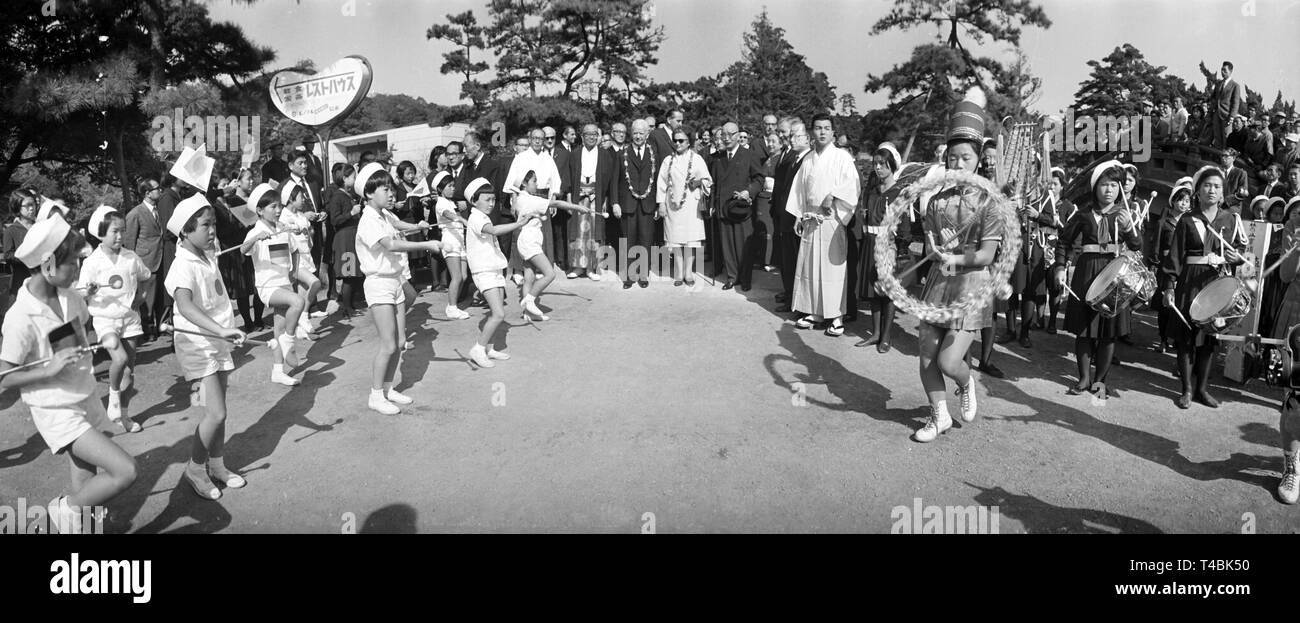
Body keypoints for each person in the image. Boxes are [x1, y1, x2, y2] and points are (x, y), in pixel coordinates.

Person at [0, 214, 137, 532]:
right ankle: (63, 508)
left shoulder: (70, 297)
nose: (78, 269)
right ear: (48, 264)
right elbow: (4, 377)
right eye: (73, 263)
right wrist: (49, 368)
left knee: (87, 484)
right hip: (57, 410)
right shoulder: (20, 317)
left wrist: (105, 338)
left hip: (85, 395)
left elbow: (79, 336)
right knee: (125, 471)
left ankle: (81, 534)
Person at [910, 88, 1004, 443]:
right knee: (925, 357)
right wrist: (932, 250)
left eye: (966, 158)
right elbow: (931, 244)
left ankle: (966, 382)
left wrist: (953, 257)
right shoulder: (935, 201)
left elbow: (985, 257)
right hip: (939, 281)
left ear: (978, 160)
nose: (958, 164)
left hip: (971, 284)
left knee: (949, 362)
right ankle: (939, 416)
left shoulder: (990, 203)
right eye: (952, 158)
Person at [165, 194, 248, 500]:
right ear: (186, 230)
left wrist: (223, 332)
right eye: (205, 225)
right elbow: (185, 306)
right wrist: (222, 329)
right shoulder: (181, 264)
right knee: (215, 413)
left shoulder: (206, 255)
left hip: (217, 340)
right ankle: (195, 469)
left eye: (213, 224)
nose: (212, 231)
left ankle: (217, 465)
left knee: (220, 414)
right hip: (197, 344)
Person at [353, 163, 445, 414]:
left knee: (401, 340)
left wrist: (419, 226)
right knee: (388, 344)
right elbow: (391, 244)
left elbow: (400, 226)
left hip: (394, 281)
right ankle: (375, 395)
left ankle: (387, 387)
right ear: (369, 193)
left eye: (391, 188)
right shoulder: (368, 220)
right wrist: (427, 243)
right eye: (385, 189)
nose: (391, 193)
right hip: (378, 283)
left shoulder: (384, 214)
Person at [1053, 160, 1142, 398]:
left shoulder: (1124, 215)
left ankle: (1100, 381)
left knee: (1108, 331)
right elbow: (1064, 241)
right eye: (1104, 185)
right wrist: (1060, 267)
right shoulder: (1083, 215)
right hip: (1087, 271)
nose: (1109, 190)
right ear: (1095, 187)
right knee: (1085, 329)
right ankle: (1083, 378)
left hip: (1114, 272)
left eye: (1114, 185)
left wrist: (1130, 229)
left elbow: (1137, 245)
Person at [1161, 165, 1246, 409]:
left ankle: (1202, 389)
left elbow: (1241, 252)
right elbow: (1175, 256)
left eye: (1217, 187)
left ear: (1223, 193)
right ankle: (1186, 389)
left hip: (1217, 281)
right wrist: (1169, 286)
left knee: (1209, 337)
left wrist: (1236, 259)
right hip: (1190, 279)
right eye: (1207, 185)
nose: (1212, 190)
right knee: (1187, 336)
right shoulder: (1188, 220)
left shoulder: (1231, 219)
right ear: (1197, 191)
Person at [786, 113, 861, 337]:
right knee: (810, 268)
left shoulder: (842, 157)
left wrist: (833, 196)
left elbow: (853, 185)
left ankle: (836, 316)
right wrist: (799, 216)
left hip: (831, 219)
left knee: (832, 270)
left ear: (833, 132)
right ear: (811, 132)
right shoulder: (808, 159)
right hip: (810, 218)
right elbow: (800, 191)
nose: (822, 132)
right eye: (818, 128)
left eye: (826, 128)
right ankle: (813, 311)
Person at [77, 205, 151, 433]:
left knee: (129, 371)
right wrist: (88, 292)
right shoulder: (92, 261)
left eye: (122, 231)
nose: (120, 236)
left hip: (129, 319)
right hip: (104, 319)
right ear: (101, 233)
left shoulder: (130, 257)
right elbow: (81, 292)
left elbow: (146, 277)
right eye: (114, 232)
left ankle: (125, 416)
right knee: (119, 361)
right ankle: (113, 399)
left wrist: (142, 296)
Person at [462, 178, 536, 368]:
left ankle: (489, 347)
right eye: (487, 200)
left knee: (495, 313)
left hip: (493, 268)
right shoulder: (476, 218)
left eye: (494, 200)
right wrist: (519, 223)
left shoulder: (482, 216)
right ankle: (478, 349)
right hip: (484, 271)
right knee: (498, 313)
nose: (492, 204)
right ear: (474, 201)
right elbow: (494, 231)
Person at [241, 184, 307, 386]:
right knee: (298, 302)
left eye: (279, 206)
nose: (278, 211)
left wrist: (294, 273)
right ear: (260, 211)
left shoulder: (282, 229)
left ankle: (277, 371)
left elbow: (295, 251)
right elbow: (243, 250)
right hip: (267, 287)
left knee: (278, 327)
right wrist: (254, 239)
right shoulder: (257, 230)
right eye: (272, 207)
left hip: (284, 283)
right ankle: (289, 339)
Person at [514, 171, 593, 320]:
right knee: (550, 274)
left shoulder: (521, 199)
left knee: (529, 278)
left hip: (526, 239)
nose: (537, 184)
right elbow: (556, 203)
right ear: (524, 184)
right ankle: (529, 300)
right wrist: (578, 208)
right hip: (530, 241)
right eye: (534, 181)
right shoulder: (531, 200)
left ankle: (528, 313)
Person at [857, 144, 906, 352]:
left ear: (892, 165)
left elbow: (904, 226)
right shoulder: (872, 191)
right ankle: (875, 333)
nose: (878, 168)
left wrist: (899, 249)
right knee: (873, 289)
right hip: (870, 243)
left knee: (887, 292)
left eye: (883, 164)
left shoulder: (899, 192)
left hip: (888, 247)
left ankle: (886, 336)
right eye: (876, 164)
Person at [711, 121, 764, 291]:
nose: (726, 138)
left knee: (744, 246)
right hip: (723, 208)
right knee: (727, 245)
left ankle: (745, 278)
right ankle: (732, 277)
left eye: (730, 134)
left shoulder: (748, 154)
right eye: (723, 135)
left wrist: (749, 192)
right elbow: (714, 184)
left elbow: (759, 179)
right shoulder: (718, 158)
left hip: (741, 207)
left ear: (737, 135)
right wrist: (712, 204)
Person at [657, 126, 713, 286]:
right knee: (675, 240)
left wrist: (698, 182)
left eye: (681, 140)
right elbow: (661, 183)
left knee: (690, 240)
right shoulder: (668, 160)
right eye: (675, 140)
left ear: (689, 142)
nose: (677, 143)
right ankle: (679, 272)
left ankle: (688, 272)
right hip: (673, 204)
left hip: (691, 205)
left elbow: (708, 180)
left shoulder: (697, 159)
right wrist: (661, 204)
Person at [612, 119, 661, 288]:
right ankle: (629, 275)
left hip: (648, 204)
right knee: (628, 239)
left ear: (647, 134)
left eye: (641, 133)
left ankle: (643, 274)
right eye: (635, 133)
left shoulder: (654, 152)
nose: (638, 136)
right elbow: (614, 180)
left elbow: (658, 181)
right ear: (631, 134)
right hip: (627, 203)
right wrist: (615, 203)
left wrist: (658, 204)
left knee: (646, 240)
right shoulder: (622, 153)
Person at [566, 123, 617, 280]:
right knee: (578, 232)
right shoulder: (574, 154)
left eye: (595, 134)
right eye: (588, 134)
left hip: (597, 196)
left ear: (598, 136)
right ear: (582, 136)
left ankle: (591, 268)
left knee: (595, 233)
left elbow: (609, 181)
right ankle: (577, 266)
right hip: (578, 196)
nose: (592, 137)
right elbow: (568, 177)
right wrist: (569, 199)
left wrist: (605, 200)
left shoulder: (604, 154)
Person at [277, 180, 323, 338]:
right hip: (295, 260)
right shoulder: (282, 216)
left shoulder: (301, 215)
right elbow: (282, 237)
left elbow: (309, 237)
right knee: (315, 283)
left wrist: (308, 232)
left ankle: (301, 328)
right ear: (290, 199)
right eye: (300, 197)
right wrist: (293, 232)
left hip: (307, 256)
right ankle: (303, 316)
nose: (303, 199)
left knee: (304, 293)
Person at [774, 119, 809, 312]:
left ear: (806, 137)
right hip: (786, 216)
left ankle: (794, 301)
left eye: (796, 135)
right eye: (791, 135)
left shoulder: (807, 159)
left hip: (796, 218)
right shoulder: (794, 158)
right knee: (787, 261)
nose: (791, 139)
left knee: (795, 262)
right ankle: (789, 295)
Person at [1153, 180, 1193, 353]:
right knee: (1165, 306)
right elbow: (1155, 248)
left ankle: (1177, 339)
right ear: (1173, 201)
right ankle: (1163, 339)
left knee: (1181, 304)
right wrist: (1154, 265)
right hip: (1165, 266)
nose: (1183, 203)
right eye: (1180, 200)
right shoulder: (1163, 223)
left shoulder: (1190, 223)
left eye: (1187, 201)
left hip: (1183, 266)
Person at [429, 171, 471, 320]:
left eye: (453, 185)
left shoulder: (451, 202)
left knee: (464, 276)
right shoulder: (440, 203)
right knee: (457, 276)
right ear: (440, 189)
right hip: (450, 241)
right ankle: (452, 307)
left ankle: (452, 305)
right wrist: (461, 219)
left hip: (460, 240)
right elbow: (447, 214)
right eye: (449, 186)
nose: (453, 189)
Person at [324, 163, 364, 318]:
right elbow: (335, 220)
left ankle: (351, 305)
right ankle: (347, 309)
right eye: (353, 177)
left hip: (352, 238)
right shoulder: (337, 196)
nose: (355, 179)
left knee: (353, 275)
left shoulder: (348, 195)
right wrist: (351, 213)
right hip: (344, 240)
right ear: (345, 178)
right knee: (348, 275)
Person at [3, 189, 38, 310]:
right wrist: (28, 256)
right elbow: (8, 256)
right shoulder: (11, 231)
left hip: (42, 284)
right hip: (20, 283)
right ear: (17, 207)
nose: (32, 208)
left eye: (33, 204)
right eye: (27, 206)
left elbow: (52, 254)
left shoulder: (41, 227)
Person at [1210, 61, 1245, 149]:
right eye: (1222, 70)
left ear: (1230, 71)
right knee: (1217, 137)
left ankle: (1225, 158)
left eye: (1225, 70)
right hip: (1216, 113)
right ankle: (1217, 158)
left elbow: (1236, 102)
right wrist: (1212, 109)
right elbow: (1213, 97)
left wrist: (1232, 116)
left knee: (1226, 137)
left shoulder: (1235, 85)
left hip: (1227, 115)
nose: (1222, 72)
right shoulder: (1218, 84)